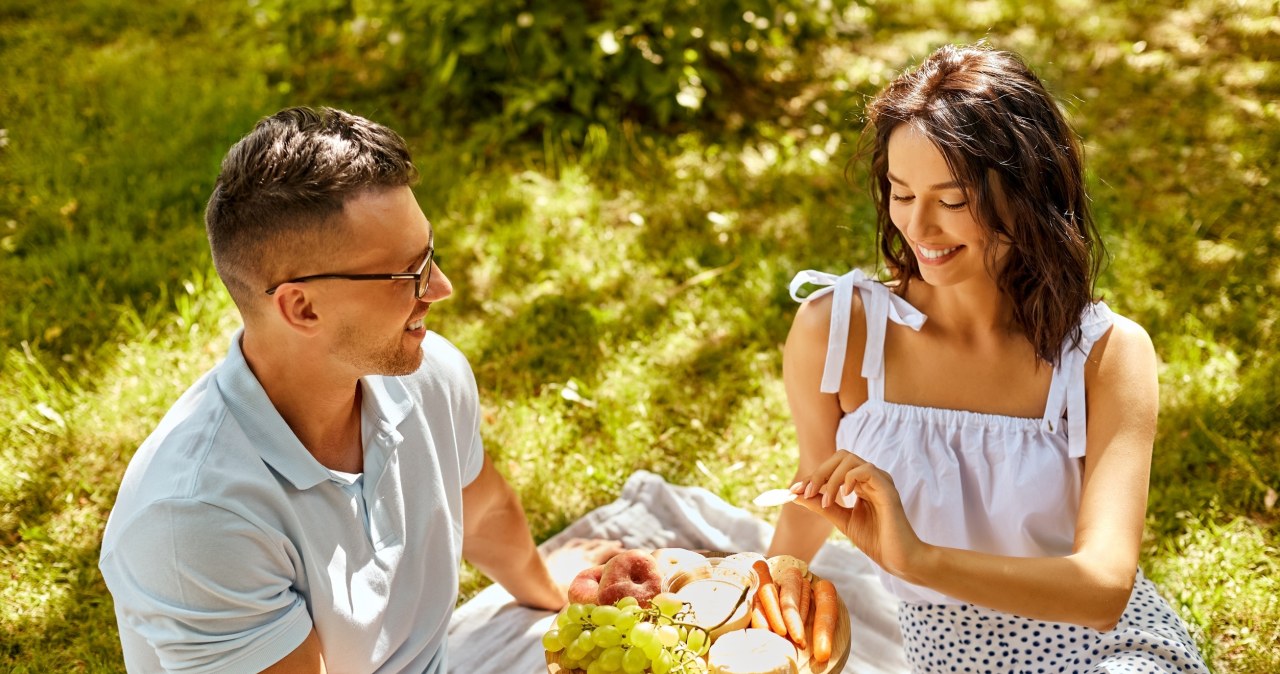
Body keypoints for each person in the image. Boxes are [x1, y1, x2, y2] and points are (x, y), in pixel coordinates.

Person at [98, 106, 621, 673]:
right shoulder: (197, 520)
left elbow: (482, 505)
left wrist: (547, 588)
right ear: (302, 307)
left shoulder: (429, 374)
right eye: (408, 274)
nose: (441, 288)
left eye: (430, 254)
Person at [768, 44, 1207, 672]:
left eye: (951, 201)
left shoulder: (1104, 355)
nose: (919, 227)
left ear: (1027, 193)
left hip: (1104, 650)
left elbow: (1105, 590)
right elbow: (816, 481)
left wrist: (915, 559)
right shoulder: (835, 331)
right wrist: (771, 579)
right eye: (900, 193)